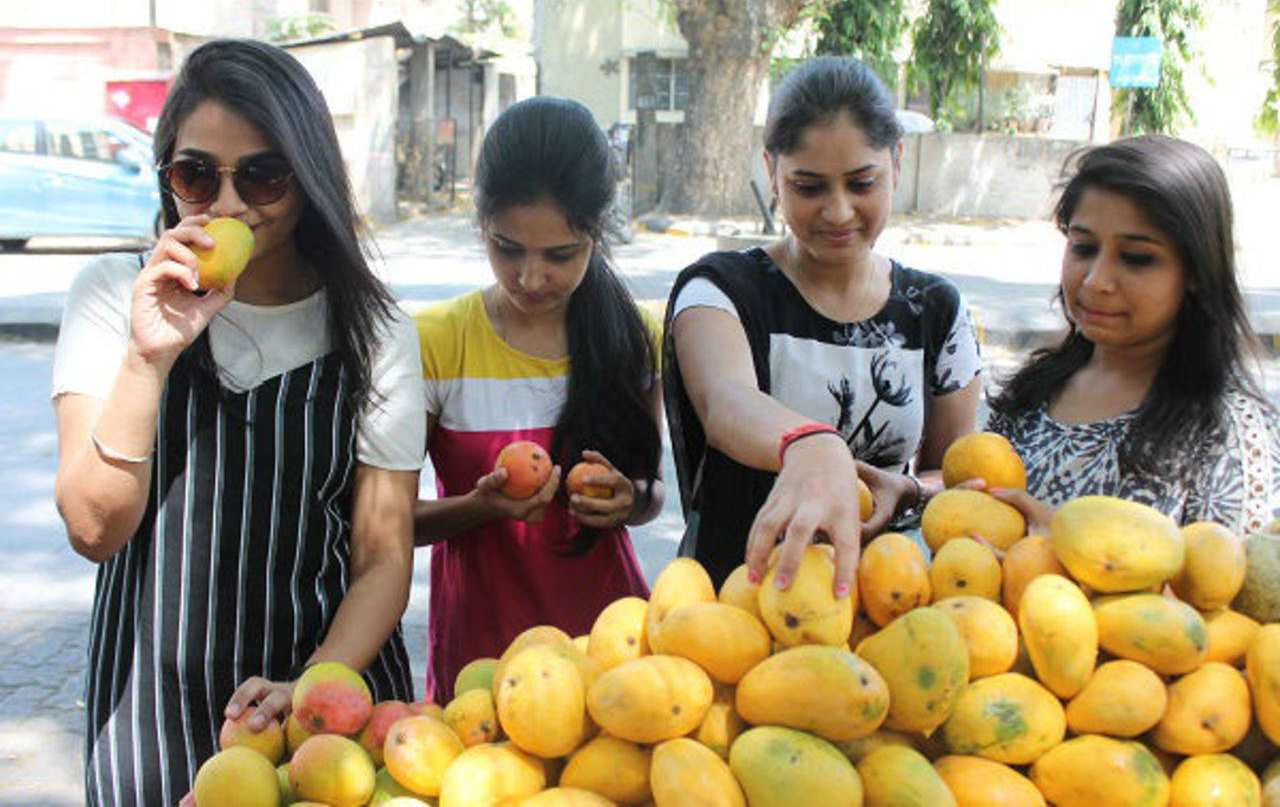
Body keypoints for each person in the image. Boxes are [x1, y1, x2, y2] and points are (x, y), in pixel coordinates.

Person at [51, 39, 425, 806]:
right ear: (167, 175)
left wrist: (313, 683)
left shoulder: (375, 331)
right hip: (153, 709)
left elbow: (382, 556)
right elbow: (93, 528)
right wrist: (148, 355)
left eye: (263, 175)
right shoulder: (113, 296)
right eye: (196, 175)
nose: (226, 205)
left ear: (309, 176)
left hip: (330, 702)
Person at [663, 56, 983, 592]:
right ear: (772, 171)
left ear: (896, 164)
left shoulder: (937, 312)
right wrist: (812, 444)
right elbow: (725, 402)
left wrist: (909, 492)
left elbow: (954, 478)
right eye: (809, 187)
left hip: (881, 615)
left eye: (861, 183)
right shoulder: (721, 291)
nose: (838, 212)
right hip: (735, 613)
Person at [413, 97, 665, 702]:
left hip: (613, 654)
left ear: (597, 235)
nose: (530, 278)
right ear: (480, 225)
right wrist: (481, 506)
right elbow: (387, 525)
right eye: (507, 248)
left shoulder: (635, 340)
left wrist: (630, 500)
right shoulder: (435, 341)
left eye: (561, 255)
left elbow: (652, 494)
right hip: (480, 662)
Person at [985, 135, 1280, 535]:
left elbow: (1239, 590)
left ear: (1196, 271)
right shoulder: (1035, 391)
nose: (1095, 281)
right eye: (1083, 247)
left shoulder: (1231, 432)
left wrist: (1072, 554)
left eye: (1136, 258)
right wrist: (918, 492)